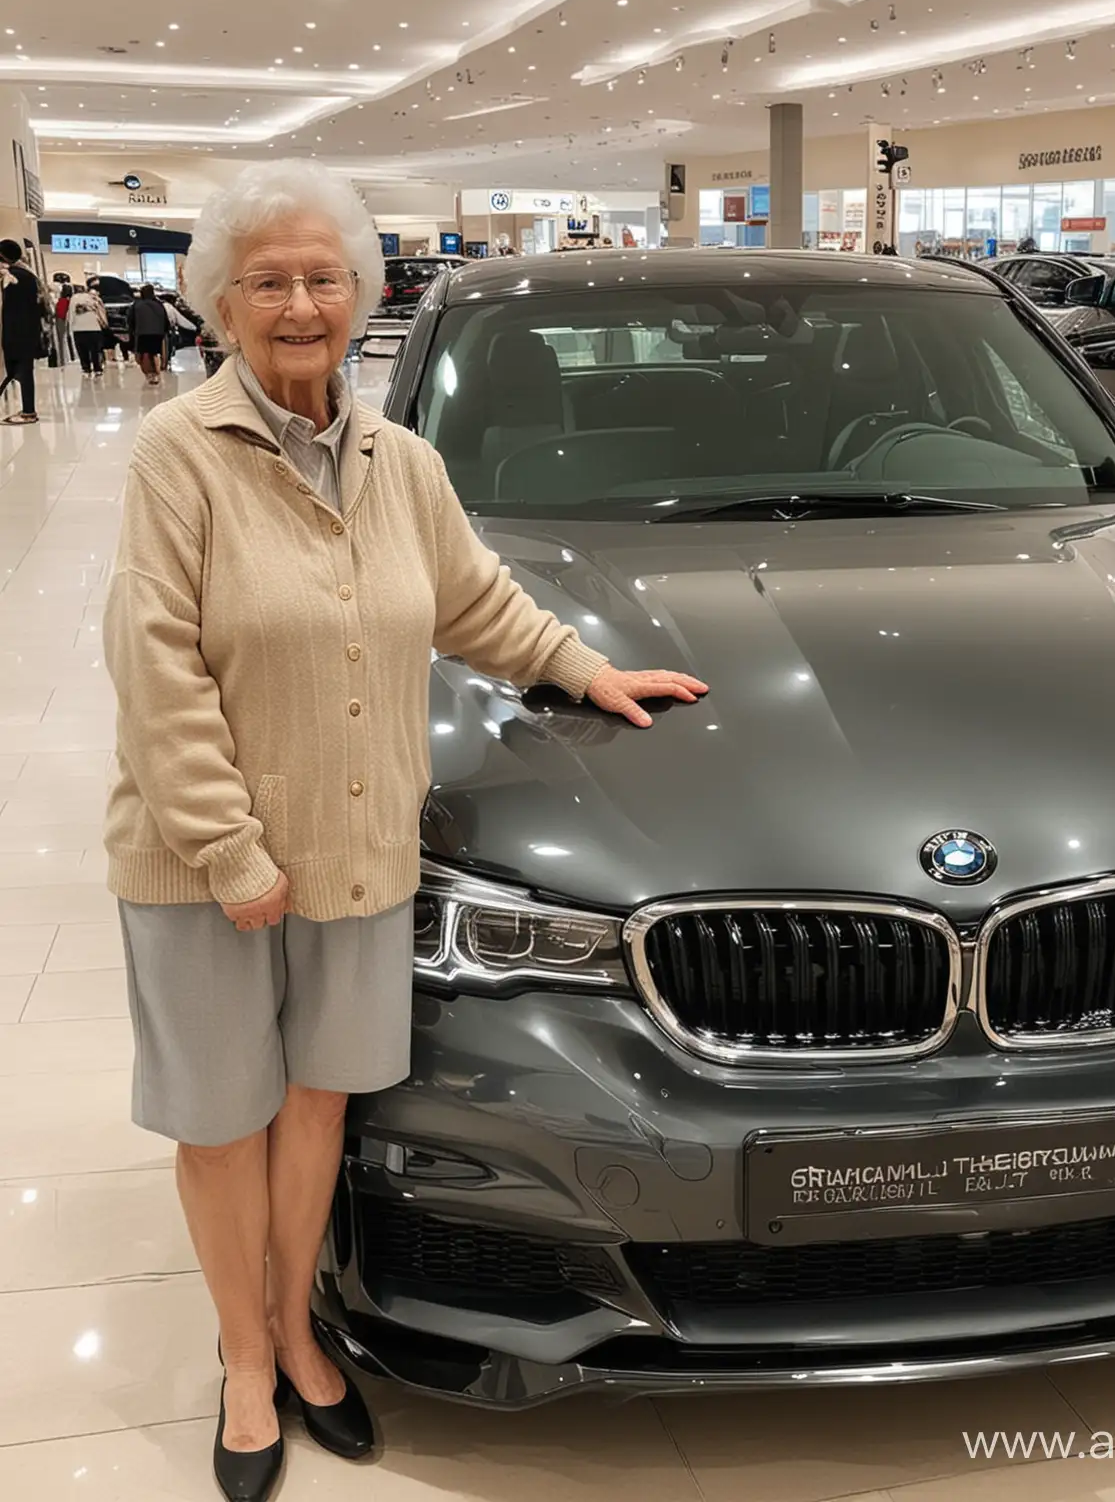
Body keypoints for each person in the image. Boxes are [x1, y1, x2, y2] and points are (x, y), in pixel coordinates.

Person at [102, 157, 708, 1502]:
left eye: (323, 277)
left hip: (361, 847)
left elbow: (477, 602)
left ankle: (306, 1334)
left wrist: (588, 671)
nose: (300, 303)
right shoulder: (177, 457)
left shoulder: (401, 463)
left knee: (318, 1104)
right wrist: (230, 851)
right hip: (210, 866)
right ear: (220, 303)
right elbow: (156, 670)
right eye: (268, 281)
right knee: (223, 1120)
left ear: (362, 292)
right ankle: (248, 1365)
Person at [0, 239, 43, 424]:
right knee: (18, 371)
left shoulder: (13, 277)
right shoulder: (27, 274)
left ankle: (28, 412)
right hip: (27, 331)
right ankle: (28, 410)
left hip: (16, 331)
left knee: (19, 371)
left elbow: (11, 307)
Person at [128, 282, 171, 386]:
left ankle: (150, 375)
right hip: (157, 333)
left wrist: (133, 331)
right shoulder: (159, 304)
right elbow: (166, 320)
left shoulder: (137, 305)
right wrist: (165, 331)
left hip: (142, 332)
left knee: (144, 354)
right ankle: (157, 374)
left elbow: (130, 320)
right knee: (155, 353)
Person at [70, 280, 109, 377]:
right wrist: (104, 324)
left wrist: (70, 327)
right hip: (94, 327)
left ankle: (86, 369)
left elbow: (71, 314)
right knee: (95, 350)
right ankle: (97, 369)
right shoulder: (94, 298)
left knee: (82, 350)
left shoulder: (73, 299)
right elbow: (102, 311)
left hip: (78, 328)